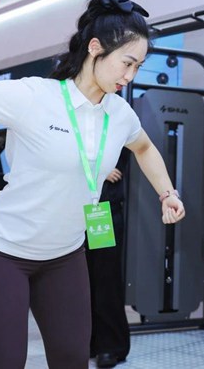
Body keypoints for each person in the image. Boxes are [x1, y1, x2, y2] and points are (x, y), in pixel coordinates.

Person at [0, 0, 186, 369]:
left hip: (65, 257)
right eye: (127, 63)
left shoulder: (120, 114)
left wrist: (167, 192)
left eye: (138, 66)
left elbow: (145, 148)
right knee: (6, 362)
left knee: (72, 360)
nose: (130, 75)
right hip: (0, 253)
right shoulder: (34, 96)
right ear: (95, 48)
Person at [87, 148, 131, 368]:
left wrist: (100, 172)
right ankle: (88, 341)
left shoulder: (116, 125)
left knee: (105, 277)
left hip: (101, 211)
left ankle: (109, 345)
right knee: (79, 280)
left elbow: (122, 156)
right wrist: (98, 171)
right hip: (71, 208)